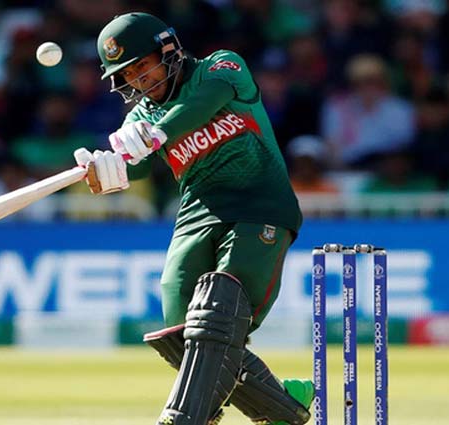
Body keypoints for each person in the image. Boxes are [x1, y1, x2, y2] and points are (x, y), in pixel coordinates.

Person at [71, 12, 314, 425]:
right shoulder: (141, 118)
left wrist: (156, 134)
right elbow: (137, 167)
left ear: (168, 50)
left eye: (142, 65)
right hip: (196, 214)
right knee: (181, 331)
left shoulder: (221, 68)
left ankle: (185, 417)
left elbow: (203, 102)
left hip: (258, 205)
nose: (138, 80)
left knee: (220, 307)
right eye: (126, 75)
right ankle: (282, 407)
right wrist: (109, 169)